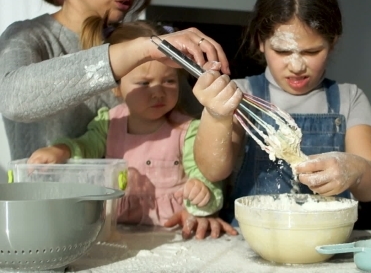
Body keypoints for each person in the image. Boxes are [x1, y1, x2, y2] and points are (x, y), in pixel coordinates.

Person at [0, 0, 233, 239]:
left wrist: (204, 203)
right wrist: (139, 51)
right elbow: (13, 98)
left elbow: (200, 138)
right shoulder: (27, 37)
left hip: (138, 236)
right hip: (44, 232)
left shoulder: (144, 43)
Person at [191, 0, 371, 225]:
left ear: (333, 42)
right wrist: (216, 115)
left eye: (312, 51)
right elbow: (213, 170)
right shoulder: (240, 95)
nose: (296, 65)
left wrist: (356, 169)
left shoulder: (350, 98)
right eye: (282, 51)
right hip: (252, 238)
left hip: (326, 238)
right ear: (260, 41)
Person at [28, 18, 232, 240]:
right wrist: (61, 150)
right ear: (115, 87)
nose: (157, 92)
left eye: (169, 82)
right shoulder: (109, 123)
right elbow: (86, 146)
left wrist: (201, 190)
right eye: (144, 83)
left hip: (170, 237)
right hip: (117, 234)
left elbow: (204, 173)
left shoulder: (187, 130)